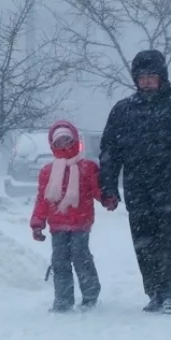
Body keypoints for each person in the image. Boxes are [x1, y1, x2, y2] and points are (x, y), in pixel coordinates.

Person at [99, 49, 171, 315]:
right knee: (144, 244)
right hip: (138, 191)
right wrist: (108, 187)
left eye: (152, 76)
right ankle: (154, 292)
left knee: (170, 244)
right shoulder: (123, 111)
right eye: (142, 77)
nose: (147, 81)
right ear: (135, 80)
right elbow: (109, 152)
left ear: (162, 76)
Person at [30, 121, 113, 312]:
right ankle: (63, 300)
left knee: (80, 257)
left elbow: (96, 189)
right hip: (57, 224)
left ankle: (90, 295)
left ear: (75, 141)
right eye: (59, 141)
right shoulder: (47, 171)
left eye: (67, 140)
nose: (64, 145)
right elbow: (42, 200)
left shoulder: (87, 167)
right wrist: (37, 223)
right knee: (59, 261)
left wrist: (106, 198)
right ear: (53, 145)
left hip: (80, 222)